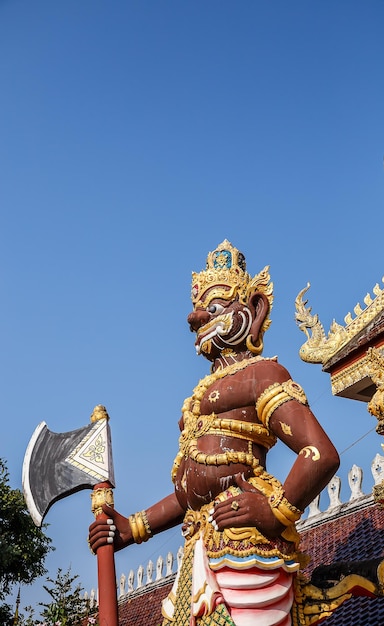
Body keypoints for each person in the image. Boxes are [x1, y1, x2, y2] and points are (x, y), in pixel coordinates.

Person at [89, 240, 340, 626]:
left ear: (255, 310)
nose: (196, 318)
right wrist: (133, 527)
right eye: (197, 309)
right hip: (201, 549)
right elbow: (191, 491)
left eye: (216, 307)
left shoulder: (263, 375)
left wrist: (275, 511)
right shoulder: (197, 400)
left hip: (245, 547)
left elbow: (320, 453)